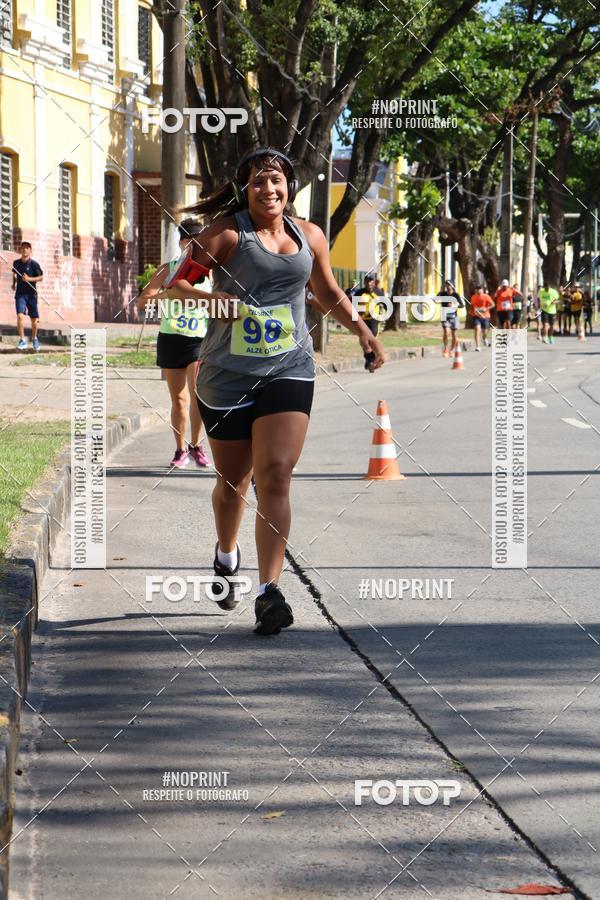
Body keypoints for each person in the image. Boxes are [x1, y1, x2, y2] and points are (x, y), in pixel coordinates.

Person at [163, 148, 384, 635]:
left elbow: (327, 293)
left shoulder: (310, 236)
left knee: (277, 475)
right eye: (260, 181)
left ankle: (269, 592)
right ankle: (226, 555)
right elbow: (173, 284)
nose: (270, 189)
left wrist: (364, 330)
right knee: (232, 483)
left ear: (291, 186)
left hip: (290, 368)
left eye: (278, 180)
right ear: (246, 187)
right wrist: (211, 297)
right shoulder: (226, 233)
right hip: (226, 376)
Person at [136, 219, 211, 469]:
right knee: (179, 400)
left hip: (199, 341)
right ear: (181, 242)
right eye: (190, 239)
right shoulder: (166, 270)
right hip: (171, 339)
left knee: (198, 394)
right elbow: (142, 302)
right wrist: (168, 293)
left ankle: (196, 445)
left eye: (199, 240)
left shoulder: (211, 273)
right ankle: (180, 450)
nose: (194, 244)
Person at [12, 242, 43, 351]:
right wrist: (13, 283)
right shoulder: (16, 263)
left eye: (27, 248)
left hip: (31, 295)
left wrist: (29, 279)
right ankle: (22, 340)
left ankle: (34, 338)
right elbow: (14, 274)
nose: (25, 250)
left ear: (30, 250)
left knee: (34, 320)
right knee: (20, 316)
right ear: (20, 250)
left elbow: (41, 277)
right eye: (23, 248)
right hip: (20, 294)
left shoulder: (34, 264)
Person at [353, 275, 384, 371]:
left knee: (372, 340)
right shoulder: (359, 293)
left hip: (374, 320)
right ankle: (369, 360)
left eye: (371, 281)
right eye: (367, 281)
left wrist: (382, 316)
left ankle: (371, 360)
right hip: (362, 321)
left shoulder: (379, 293)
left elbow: (384, 306)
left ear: (374, 282)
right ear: (364, 282)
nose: (369, 283)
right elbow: (353, 307)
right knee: (364, 341)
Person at [437, 279, 462, 357]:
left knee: (454, 334)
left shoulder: (456, 295)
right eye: (446, 285)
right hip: (445, 316)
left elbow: (462, 305)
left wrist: (454, 305)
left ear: (452, 286)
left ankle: (452, 350)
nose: (447, 286)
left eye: (449, 285)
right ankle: (445, 348)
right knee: (446, 332)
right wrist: (440, 291)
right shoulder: (443, 294)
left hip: (454, 317)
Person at [470, 284, 494, 350]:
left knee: (485, 331)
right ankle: (478, 346)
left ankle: (484, 338)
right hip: (476, 316)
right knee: (477, 329)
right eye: (477, 289)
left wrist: (486, 309)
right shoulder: (473, 297)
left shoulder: (486, 296)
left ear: (482, 290)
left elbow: (493, 304)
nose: (478, 290)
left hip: (485, 316)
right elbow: (472, 306)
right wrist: (472, 312)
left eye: (480, 289)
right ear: (475, 290)